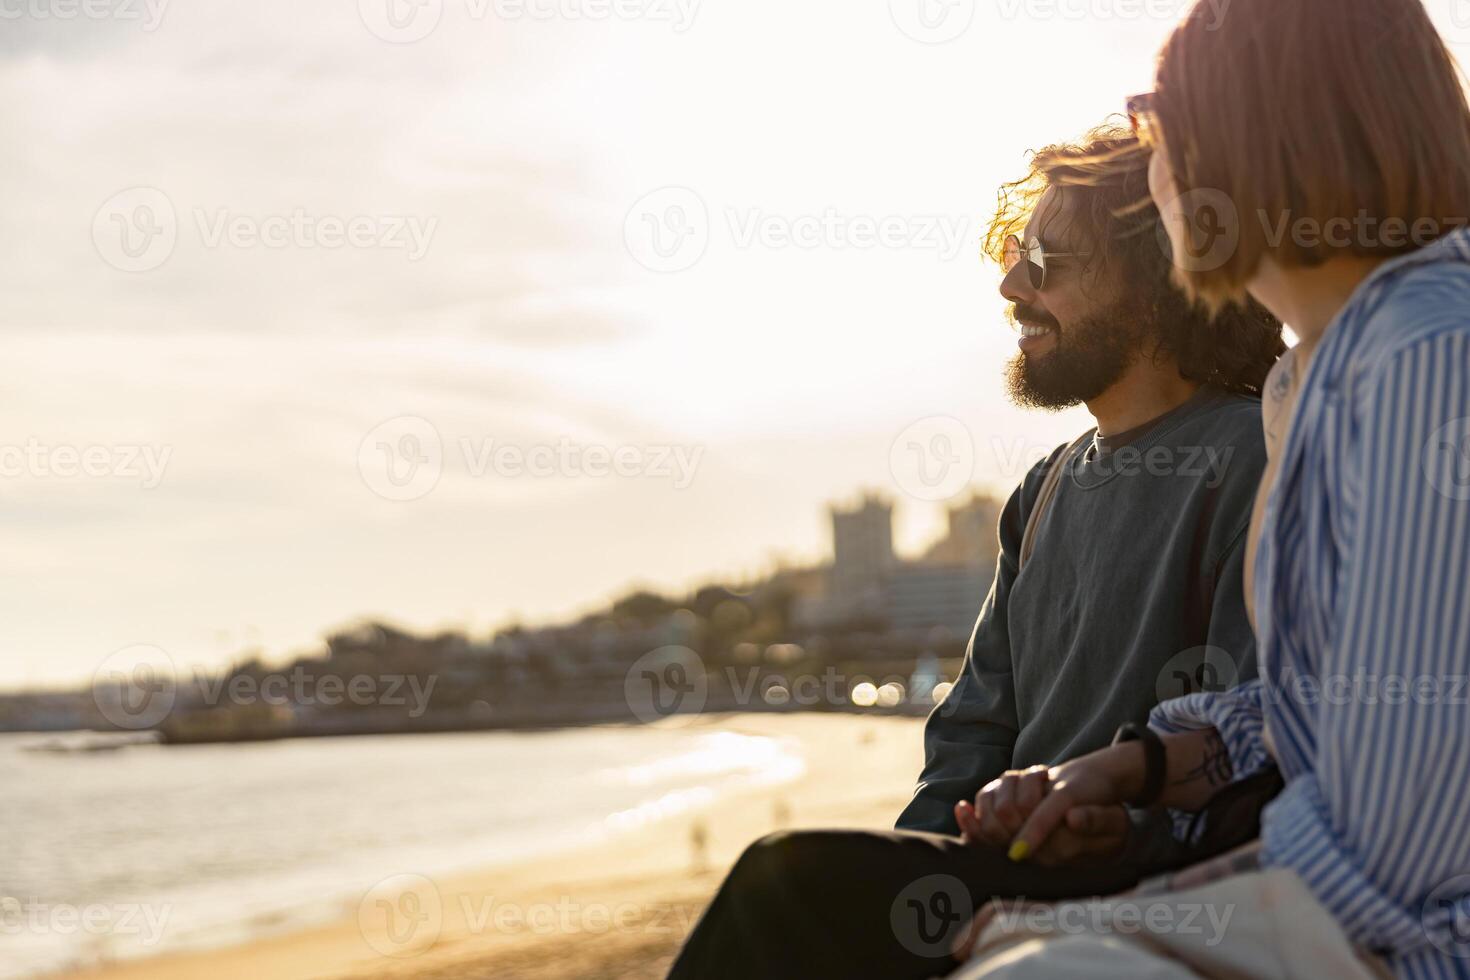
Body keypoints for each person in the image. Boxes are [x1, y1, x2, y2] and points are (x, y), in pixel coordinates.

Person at [665, 127, 1285, 980]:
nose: (1010, 284)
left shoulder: (1258, 456)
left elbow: (1252, 739)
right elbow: (971, 733)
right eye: (1012, 254)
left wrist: (1110, 819)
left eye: (1046, 259)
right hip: (1005, 866)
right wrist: (915, 862)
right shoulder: (1042, 492)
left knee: (786, 881)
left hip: (1152, 880)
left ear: (1155, 281)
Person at [953, 1, 1470, 977]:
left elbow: (1400, 861)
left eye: (1158, 116)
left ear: (1250, 126)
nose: (1153, 156)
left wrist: (1139, 911)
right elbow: (1312, 710)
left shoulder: (1428, 359)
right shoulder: (1309, 380)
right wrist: (1139, 760)